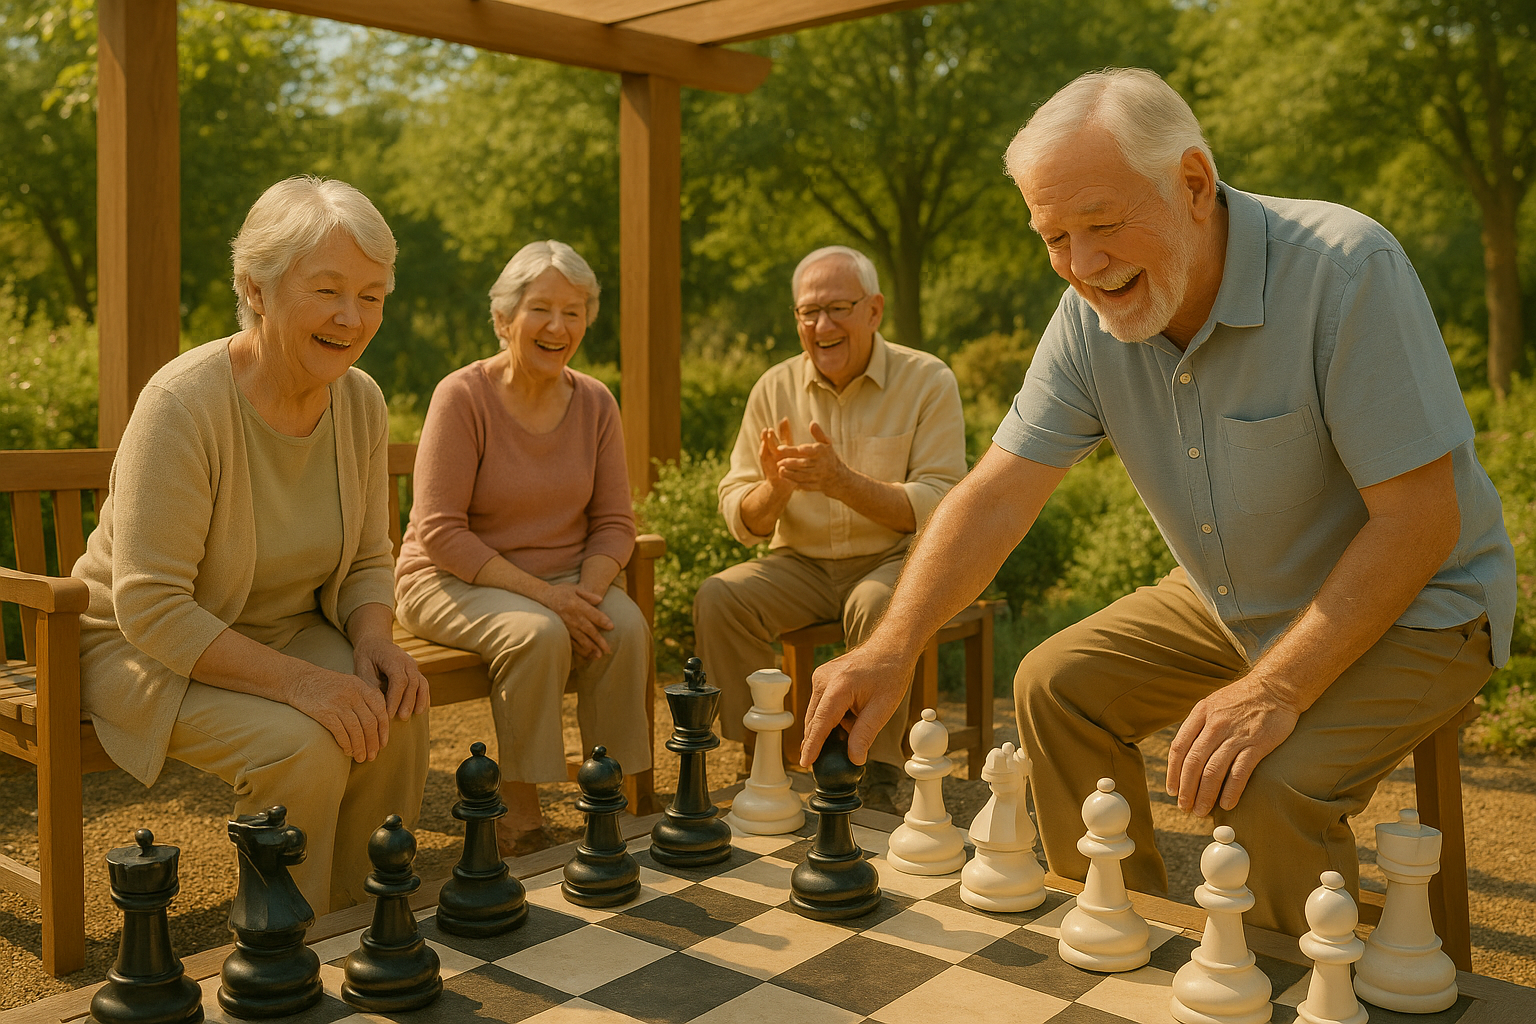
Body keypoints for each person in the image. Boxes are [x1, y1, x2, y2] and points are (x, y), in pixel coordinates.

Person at [799, 69, 1516, 936]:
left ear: (1193, 183)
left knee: (1267, 786)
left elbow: (1420, 520)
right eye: (1053, 236)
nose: (1082, 266)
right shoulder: (1083, 319)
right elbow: (994, 495)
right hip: (1234, 598)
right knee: (1053, 687)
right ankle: (1123, 937)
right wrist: (892, 647)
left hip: (1422, 603)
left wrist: (1275, 687)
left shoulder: (1344, 269)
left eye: (1102, 225)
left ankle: (1285, 990)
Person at [74, 176, 431, 916]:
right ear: (256, 288)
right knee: (300, 743)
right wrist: (306, 685)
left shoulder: (360, 399)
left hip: (283, 629)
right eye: (327, 289)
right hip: (146, 651)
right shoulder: (183, 403)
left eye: (371, 295)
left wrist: (375, 640)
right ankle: (282, 958)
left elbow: (369, 555)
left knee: (393, 710)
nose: (350, 316)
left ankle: (360, 926)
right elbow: (151, 607)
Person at [394, 240, 649, 856]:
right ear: (504, 318)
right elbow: (440, 530)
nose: (558, 326)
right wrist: (551, 600)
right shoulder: (462, 397)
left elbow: (616, 521)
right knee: (538, 633)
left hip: (566, 579)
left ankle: (609, 796)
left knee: (625, 625)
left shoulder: (595, 402)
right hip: (449, 577)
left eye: (574, 310)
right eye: (541, 309)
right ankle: (522, 816)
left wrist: (586, 594)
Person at [694, 245, 968, 812]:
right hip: (800, 564)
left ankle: (877, 767)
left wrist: (842, 482)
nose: (821, 325)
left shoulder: (927, 379)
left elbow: (943, 503)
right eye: (807, 313)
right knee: (720, 597)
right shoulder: (772, 387)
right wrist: (777, 488)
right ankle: (767, 750)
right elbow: (739, 513)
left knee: (880, 604)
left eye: (837, 308)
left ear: (874, 309)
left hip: (893, 558)